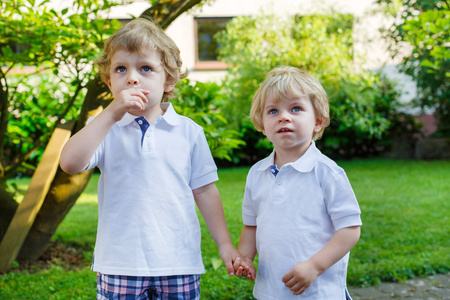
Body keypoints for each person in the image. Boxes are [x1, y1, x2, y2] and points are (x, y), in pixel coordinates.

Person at [60, 18, 243, 300]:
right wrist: (110, 114)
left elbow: (205, 190)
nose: (132, 77)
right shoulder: (104, 127)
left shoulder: (189, 132)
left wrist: (225, 245)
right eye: (121, 69)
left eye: (145, 68)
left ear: (168, 79)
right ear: (109, 82)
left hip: (178, 262)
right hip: (120, 263)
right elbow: (70, 164)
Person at [234, 66, 362, 299]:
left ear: (318, 121)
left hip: (319, 291)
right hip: (271, 290)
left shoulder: (327, 173)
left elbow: (350, 229)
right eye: (273, 111)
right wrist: (244, 257)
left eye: (296, 108)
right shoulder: (256, 173)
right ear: (261, 124)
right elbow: (251, 226)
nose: (284, 116)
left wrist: (314, 266)